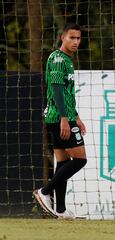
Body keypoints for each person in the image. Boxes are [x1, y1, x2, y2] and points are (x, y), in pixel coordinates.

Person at [33, 23, 87, 219]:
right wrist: (65, 118)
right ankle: (44, 192)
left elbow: (66, 92)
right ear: (62, 37)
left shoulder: (67, 59)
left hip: (63, 116)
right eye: (71, 38)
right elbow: (56, 90)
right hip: (59, 117)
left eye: (78, 38)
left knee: (63, 161)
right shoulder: (57, 59)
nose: (76, 42)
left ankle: (61, 210)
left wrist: (77, 116)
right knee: (80, 159)